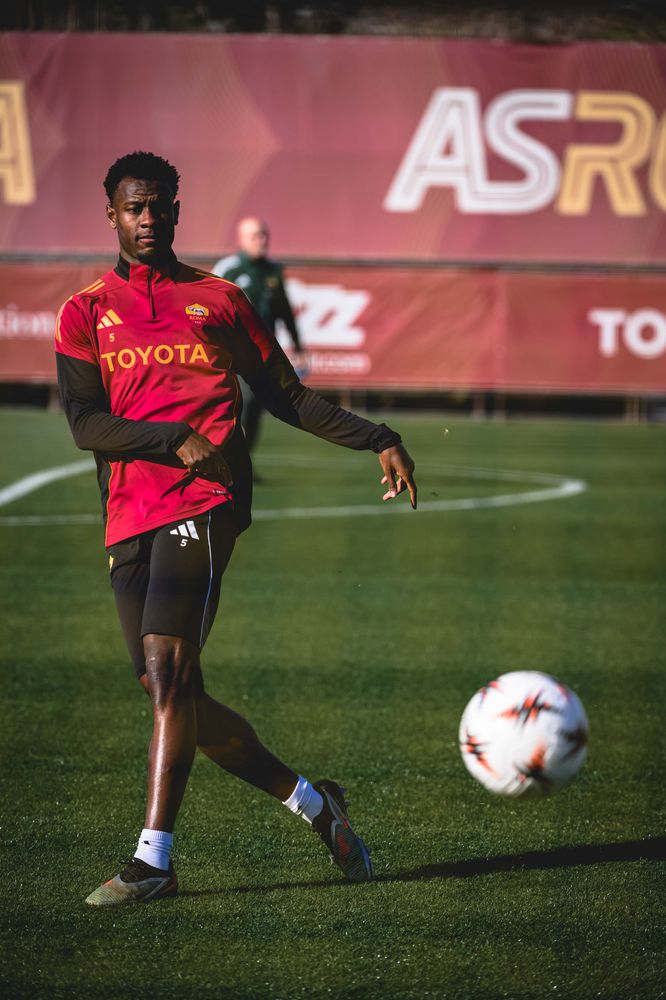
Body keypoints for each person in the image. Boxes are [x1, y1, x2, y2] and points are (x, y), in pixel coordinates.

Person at [55, 151, 417, 907]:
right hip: (128, 511)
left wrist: (377, 436)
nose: (148, 219)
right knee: (171, 691)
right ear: (112, 215)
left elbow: (288, 398)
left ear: (177, 211)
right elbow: (85, 424)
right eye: (134, 208)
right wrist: (169, 438)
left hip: (207, 500)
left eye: (160, 206)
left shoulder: (219, 299)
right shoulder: (83, 312)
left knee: (168, 669)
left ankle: (154, 862)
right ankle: (317, 805)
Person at [213, 217, 302, 456]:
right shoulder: (228, 269)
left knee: (255, 409)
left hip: (263, 354)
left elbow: (284, 311)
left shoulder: (273, 271)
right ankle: (228, 461)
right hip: (233, 354)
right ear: (241, 239)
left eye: (264, 235)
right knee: (240, 404)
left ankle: (244, 462)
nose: (261, 240)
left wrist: (298, 345)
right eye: (255, 236)